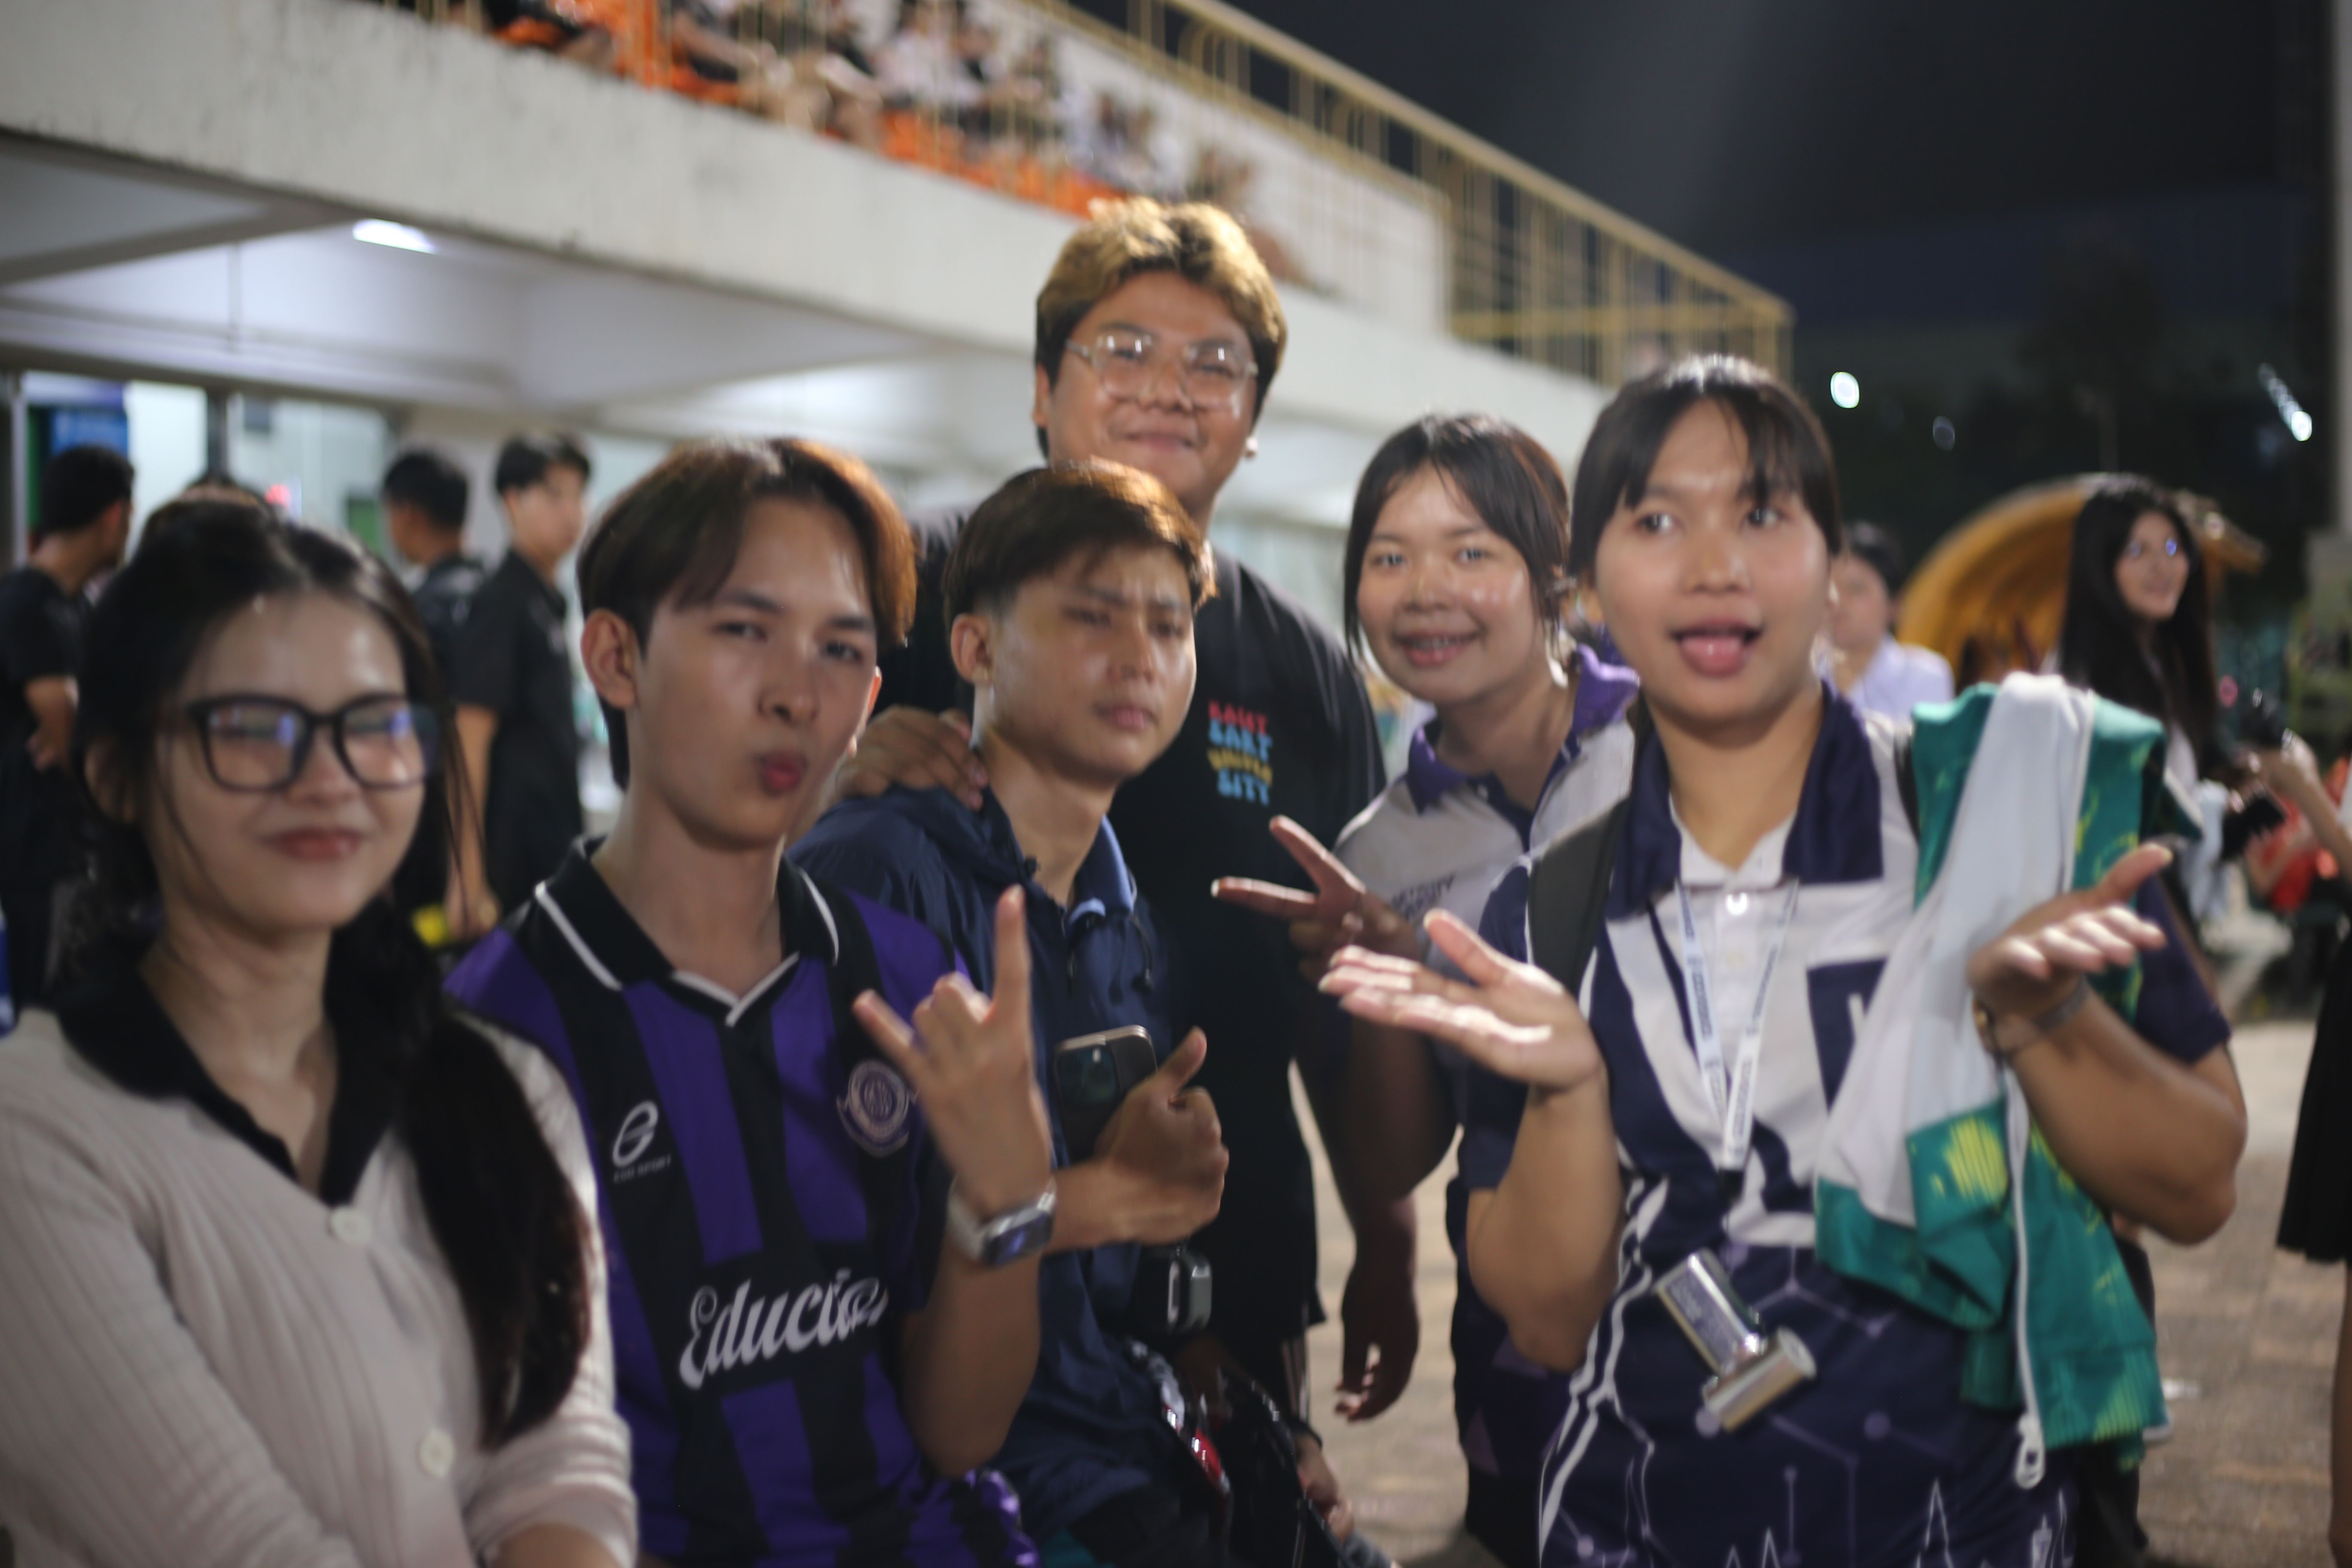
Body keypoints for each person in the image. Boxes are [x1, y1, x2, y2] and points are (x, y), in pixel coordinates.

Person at [1321, 357, 2246, 1568]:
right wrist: (1570, 1092)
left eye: (1760, 514)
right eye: (1657, 522)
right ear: (1587, 584)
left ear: (1830, 564)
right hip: (1636, 1525)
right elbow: (1543, 1325)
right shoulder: (1541, 911)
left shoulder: (1997, 811)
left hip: (1970, 1527)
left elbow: (2200, 1187)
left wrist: (2041, 1017)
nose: (1714, 565)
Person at [836, 198, 1396, 1534]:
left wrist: (1385, 1234)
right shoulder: (908, 585)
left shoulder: (1307, 671)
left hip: (1217, 1283)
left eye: (1215, 364)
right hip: (929, 1298)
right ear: (1043, 388)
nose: (1169, 387)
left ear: (1253, 418)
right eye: (1125, 348)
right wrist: (828, 765)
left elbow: (1335, 986)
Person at [445, 437, 1053, 1567]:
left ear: (871, 699)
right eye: (743, 630)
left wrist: (1008, 1203)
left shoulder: (909, 983)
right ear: (615, 657)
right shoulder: (491, 1035)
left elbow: (961, 1435)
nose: (794, 694)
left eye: (841, 650)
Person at [0, 500, 634, 1568]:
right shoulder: (38, 1136)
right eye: (254, 725)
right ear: (113, 774)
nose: (331, 776)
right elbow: (240, 1545)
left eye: (377, 724)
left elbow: (557, 1468)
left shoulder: (501, 1087)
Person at [1212, 414, 1637, 1568]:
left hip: (1712, 1273)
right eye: (1389, 556)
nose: (1423, 591)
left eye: (1469, 551)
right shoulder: (1380, 847)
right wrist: (1392, 978)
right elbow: (1396, 1156)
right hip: (1515, 1329)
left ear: (1555, 580)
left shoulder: (1664, 745)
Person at [796, 462, 1240, 1565]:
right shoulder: (877, 873)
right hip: (951, 1494)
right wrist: (1106, 1199)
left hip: (1111, 1439)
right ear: (976, 649)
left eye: (1169, 626)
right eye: (1092, 616)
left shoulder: (1124, 915)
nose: (1140, 656)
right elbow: (831, 1266)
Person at [0, 444, 132, 1012]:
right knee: (48, 1014)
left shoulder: (78, 608)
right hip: (41, 854)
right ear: (114, 517)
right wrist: (89, 734)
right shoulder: (26, 603)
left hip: (77, 849)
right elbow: (68, 729)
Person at [449, 432, 591, 939]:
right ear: (513, 501)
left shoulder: (546, 600)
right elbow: (469, 740)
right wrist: (466, 877)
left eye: (578, 495)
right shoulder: (502, 602)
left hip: (550, 848)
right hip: (508, 863)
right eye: (554, 495)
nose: (572, 512)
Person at [2054, 478, 2220, 804]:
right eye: (2137, 551)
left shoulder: (2162, 665)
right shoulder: (2078, 687)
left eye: (2172, 548)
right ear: (2100, 567)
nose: (2162, 567)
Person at [1821, 522, 1951, 721]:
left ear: (1895, 603)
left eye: (1856, 589)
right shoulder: (1797, 674)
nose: (1838, 601)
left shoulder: (1923, 676)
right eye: (1829, 587)